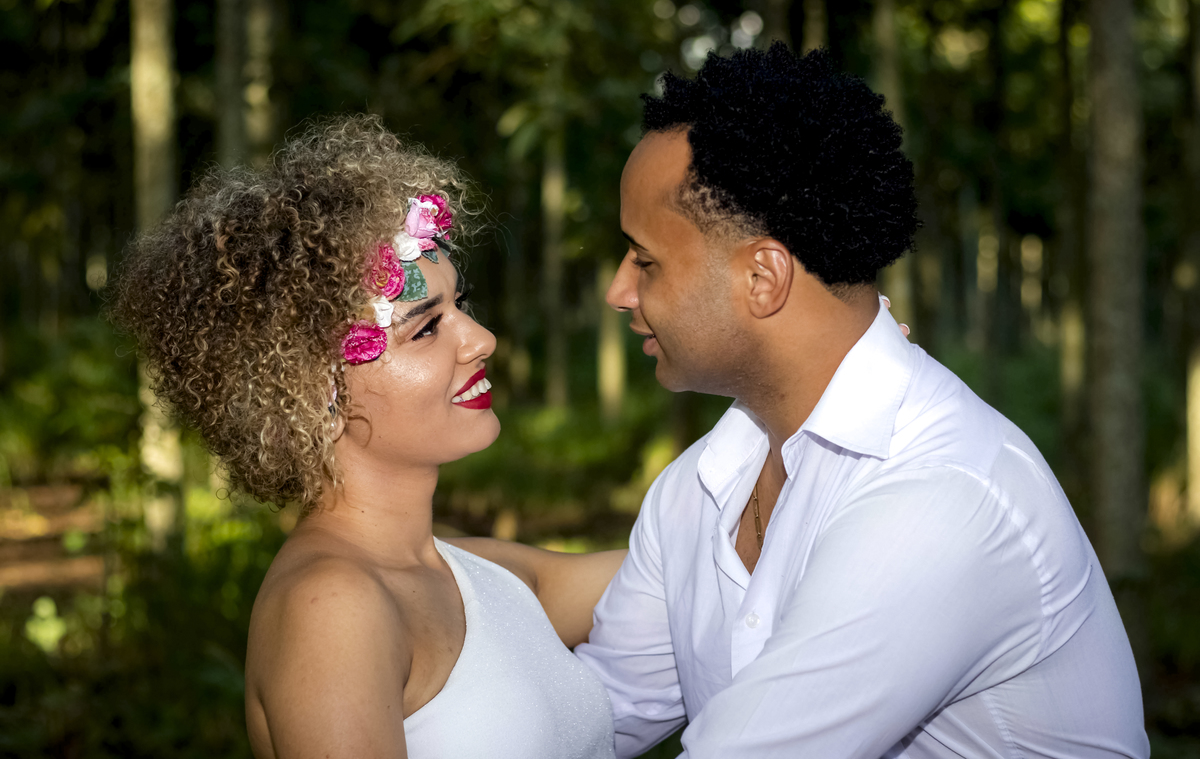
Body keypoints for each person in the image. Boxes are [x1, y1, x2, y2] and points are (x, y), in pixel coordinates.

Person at [574, 45, 1150, 758]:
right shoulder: (698, 487)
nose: (618, 292)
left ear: (763, 277)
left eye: (645, 260)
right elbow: (593, 718)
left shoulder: (941, 497)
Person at [110, 115, 622, 759]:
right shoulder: (330, 606)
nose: (482, 340)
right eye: (425, 328)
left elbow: (686, 563)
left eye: (461, 305)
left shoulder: (487, 574)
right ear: (311, 392)